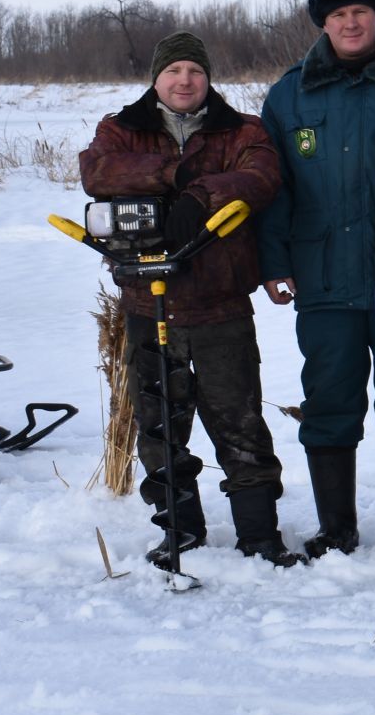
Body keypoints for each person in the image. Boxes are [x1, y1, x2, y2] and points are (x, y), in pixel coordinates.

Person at [79, 32, 302, 568]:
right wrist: (175, 175)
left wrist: (202, 198)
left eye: (195, 72)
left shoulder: (241, 130)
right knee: (159, 427)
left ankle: (259, 534)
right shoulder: (121, 128)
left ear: (208, 78)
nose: (185, 81)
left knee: (240, 420)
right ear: (157, 78)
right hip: (147, 303)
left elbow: (261, 175)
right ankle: (180, 530)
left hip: (221, 305)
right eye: (174, 71)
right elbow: (98, 171)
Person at [258, 0, 375, 558]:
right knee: (330, 400)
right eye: (337, 14)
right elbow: (274, 187)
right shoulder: (291, 94)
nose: (350, 21)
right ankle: (336, 527)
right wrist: (273, 260)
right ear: (323, 22)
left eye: (360, 10)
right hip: (323, 276)